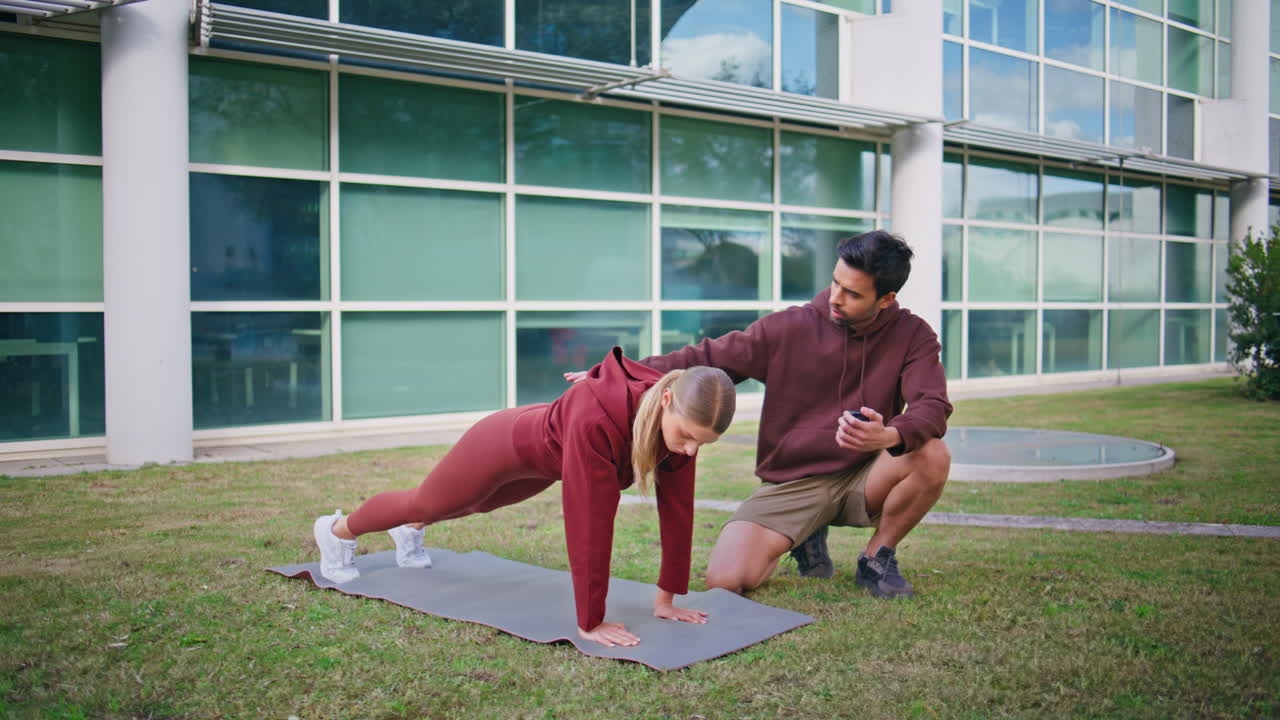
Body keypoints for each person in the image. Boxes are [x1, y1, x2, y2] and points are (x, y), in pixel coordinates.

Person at [566, 230, 952, 599]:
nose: (835, 297)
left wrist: (890, 436)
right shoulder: (790, 327)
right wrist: (619, 373)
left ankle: (876, 558)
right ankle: (805, 533)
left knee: (931, 454)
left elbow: (932, 406)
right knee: (726, 580)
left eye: (852, 293)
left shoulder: (913, 336)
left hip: (866, 474)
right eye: (835, 282)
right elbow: (704, 358)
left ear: (885, 299)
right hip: (793, 482)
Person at [311, 348, 737, 648]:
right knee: (428, 501)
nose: (690, 451)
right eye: (686, 437)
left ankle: (411, 530)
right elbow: (590, 524)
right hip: (503, 441)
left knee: (475, 505)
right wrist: (590, 621)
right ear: (666, 401)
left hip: (542, 463)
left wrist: (666, 600)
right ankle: (337, 532)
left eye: (703, 444)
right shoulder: (598, 421)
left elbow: (678, 512)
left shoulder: (680, 433)